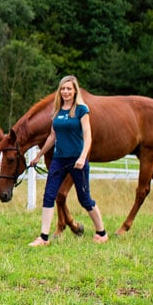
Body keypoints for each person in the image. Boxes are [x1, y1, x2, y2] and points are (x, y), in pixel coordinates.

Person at [28, 75, 108, 246]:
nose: (65, 92)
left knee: (84, 199)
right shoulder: (57, 111)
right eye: (63, 89)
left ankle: (101, 233)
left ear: (75, 91)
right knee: (49, 195)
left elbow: (88, 136)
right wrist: (39, 155)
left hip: (77, 160)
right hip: (59, 160)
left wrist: (82, 156)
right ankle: (43, 237)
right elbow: (52, 136)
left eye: (69, 89)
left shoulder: (81, 109)